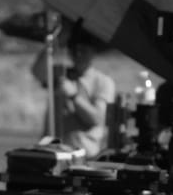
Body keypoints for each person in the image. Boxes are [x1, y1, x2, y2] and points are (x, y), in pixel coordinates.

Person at [30, 29, 115, 158]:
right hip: (52, 150)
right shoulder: (60, 73)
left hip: (84, 153)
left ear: (93, 52)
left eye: (83, 50)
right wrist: (52, 43)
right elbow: (37, 71)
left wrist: (74, 95)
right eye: (75, 50)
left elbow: (97, 119)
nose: (78, 54)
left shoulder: (103, 82)